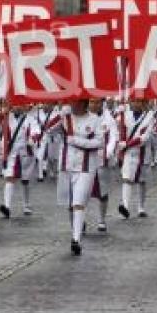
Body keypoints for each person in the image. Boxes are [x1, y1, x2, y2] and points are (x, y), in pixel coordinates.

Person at [56, 100, 103, 256]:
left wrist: (77, 141)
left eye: (77, 102)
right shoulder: (65, 117)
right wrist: (60, 114)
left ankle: (76, 239)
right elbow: (47, 130)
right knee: (70, 204)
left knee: (79, 202)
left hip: (86, 166)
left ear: (84, 103)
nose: (74, 104)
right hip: (67, 166)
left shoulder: (95, 119)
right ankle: (75, 230)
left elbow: (99, 142)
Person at [117, 98, 157, 219]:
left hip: (143, 153)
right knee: (127, 178)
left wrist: (127, 144)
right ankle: (125, 206)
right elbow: (120, 131)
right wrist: (119, 118)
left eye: (139, 101)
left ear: (144, 103)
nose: (135, 103)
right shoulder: (125, 115)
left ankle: (141, 207)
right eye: (134, 101)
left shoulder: (150, 117)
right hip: (129, 153)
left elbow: (145, 137)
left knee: (141, 180)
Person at [0, 102, 40, 218]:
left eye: (20, 104)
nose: (17, 106)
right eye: (15, 104)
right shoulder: (7, 116)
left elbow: (36, 131)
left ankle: (26, 204)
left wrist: (33, 138)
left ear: (24, 106)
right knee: (9, 178)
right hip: (11, 153)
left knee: (25, 180)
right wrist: (3, 112)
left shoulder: (30, 119)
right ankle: (7, 207)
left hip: (26, 153)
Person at [90, 98, 118, 232]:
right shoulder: (84, 117)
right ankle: (81, 219)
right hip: (87, 159)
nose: (94, 105)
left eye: (97, 102)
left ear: (102, 103)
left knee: (103, 190)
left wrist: (109, 150)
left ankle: (102, 219)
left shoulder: (109, 119)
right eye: (91, 102)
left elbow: (113, 137)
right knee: (83, 191)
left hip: (103, 158)